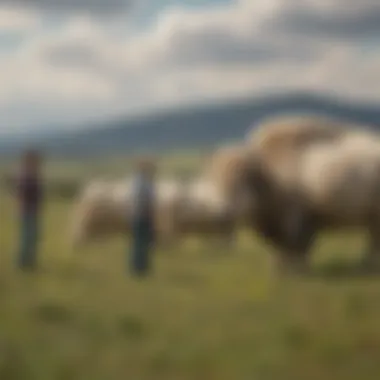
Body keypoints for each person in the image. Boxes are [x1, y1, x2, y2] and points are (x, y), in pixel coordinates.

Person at [16, 149, 44, 270]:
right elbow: (22, 194)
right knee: (27, 238)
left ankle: (30, 261)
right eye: (34, 161)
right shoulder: (26, 176)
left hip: (32, 211)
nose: (37, 164)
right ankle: (23, 262)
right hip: (27, 211)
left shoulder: (32, 175)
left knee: (32, 237)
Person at [129, 157, 156, 277]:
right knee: (139, 242)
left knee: (143, 242)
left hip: (143, 215)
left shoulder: (143, 181)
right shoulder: (141, 183)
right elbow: (142, 200)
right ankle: (138, 268)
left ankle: (142, 267)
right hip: (141, 215)